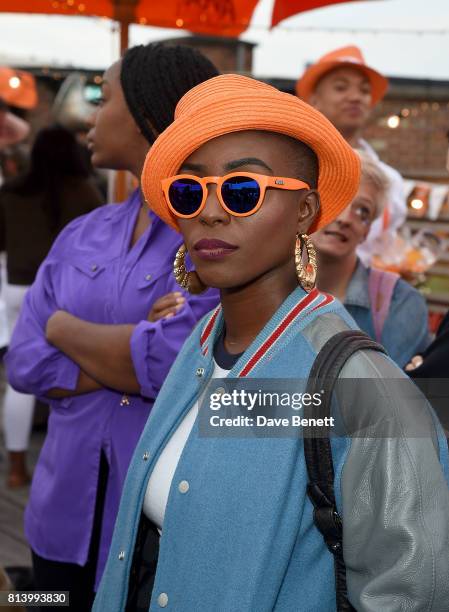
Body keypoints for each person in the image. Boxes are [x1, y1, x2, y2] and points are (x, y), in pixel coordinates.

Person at [94, 75, 449, 612]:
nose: (211, 212)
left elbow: (413, 591)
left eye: (242, 189)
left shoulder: (361, 387)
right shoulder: (201, 343)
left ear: (304, 212)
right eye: (190, 191)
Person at [5, 43, 219, 611]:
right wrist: (127, 344)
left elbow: (171, 363)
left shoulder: (215, 237)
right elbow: (24, 362)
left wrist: (61, 327)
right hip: (55, 519)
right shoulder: (84, 231)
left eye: (104, 96)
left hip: (154, 530)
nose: (90, 115)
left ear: (151, 114)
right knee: (45, 603)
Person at [1, 125, 103, 488]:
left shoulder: (12, 192)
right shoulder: (85, 192)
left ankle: (15, 467)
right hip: (68, 293)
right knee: (73, 370)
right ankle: (65, 466)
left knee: (18, 376)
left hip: (18, 286)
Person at [312, 150, 430, 368]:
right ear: (307, 207)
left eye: (362, 211)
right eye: (337, 200)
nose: (345, 218)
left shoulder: (399, 302)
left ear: (367, 232)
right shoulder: (261, 288)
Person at [296, 45, 407, 266]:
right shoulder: (295, 166)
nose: (356, 97)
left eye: (364, 91)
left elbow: (388, 250)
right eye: (341, 87)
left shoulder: (390, 180)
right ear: (314, 100)